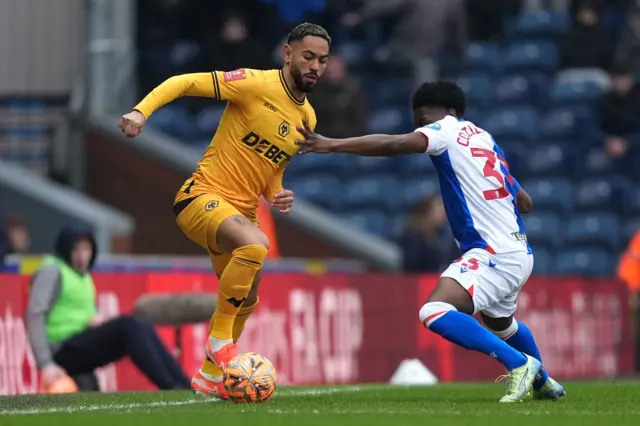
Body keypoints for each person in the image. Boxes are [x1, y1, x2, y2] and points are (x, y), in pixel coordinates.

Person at [295, 81, 566, 403]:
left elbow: (395, 145)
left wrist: (332, 145)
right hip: (519, 250)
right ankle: (544, 383)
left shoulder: (445, 129)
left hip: (492, 251)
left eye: (424, 119)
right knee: (501, 323)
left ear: (449, 112)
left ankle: (519, 364)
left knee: (434, 310)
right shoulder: (485, 139)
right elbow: (526, 202)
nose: (421, 127)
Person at [118, 23, 330, 399]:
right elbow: (182, 82)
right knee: (256, 244)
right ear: (288, 54)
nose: (315, 66)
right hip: (201, 197)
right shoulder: (253, 83)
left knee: (248, 296)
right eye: (308, 56)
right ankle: (220, 343)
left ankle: (210, 376)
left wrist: (278, 193)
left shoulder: (308, 119)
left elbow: (272, 168)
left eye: (323, 60)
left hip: (240, 213)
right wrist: (140, 112)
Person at [26, 224, 190, 391]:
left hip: (80, 341)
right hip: (62, 349)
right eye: (76, 250)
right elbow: (35, 315)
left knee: (141, 324)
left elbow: (77, 310)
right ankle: (170, 386)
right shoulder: (52, 271)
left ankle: (185, 385)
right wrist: (46, 364)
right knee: (129, 326)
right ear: (66, 248)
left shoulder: (82, 276)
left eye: (86, 249)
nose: (82, 256)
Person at [399, 195, 458, 273]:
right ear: (427, 212)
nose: (443, 213)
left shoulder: (439, 237)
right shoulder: (413, 238)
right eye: (439, 209)